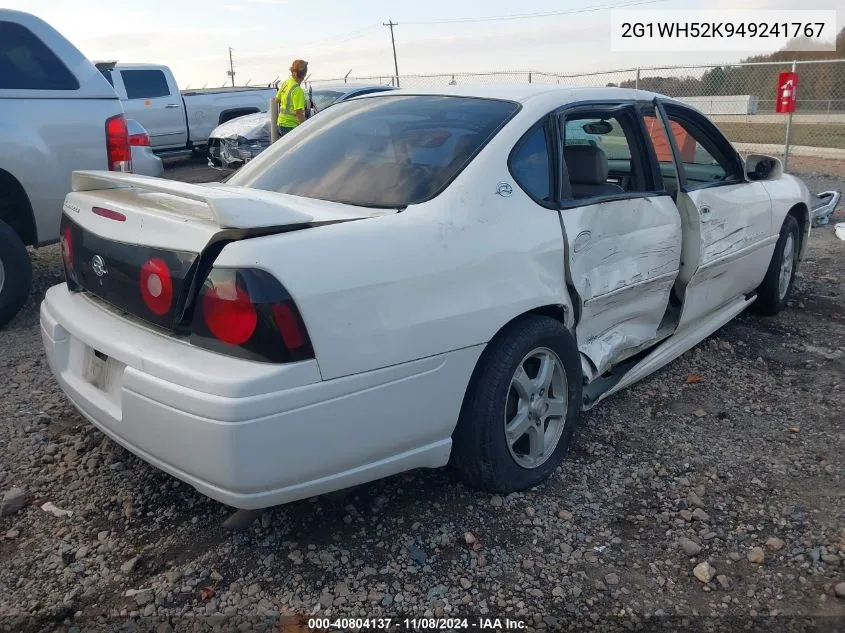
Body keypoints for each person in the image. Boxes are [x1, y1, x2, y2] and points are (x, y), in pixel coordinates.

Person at [276, 59, 308, 138]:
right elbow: (299, 113)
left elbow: (277, 99)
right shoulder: (297, 90)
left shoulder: (286, 83)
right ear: (304, 75)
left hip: (281, 123)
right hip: (291, 125)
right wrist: (306, 127)